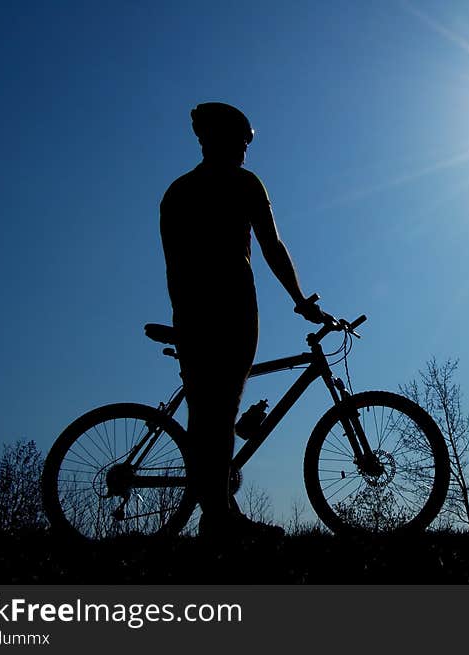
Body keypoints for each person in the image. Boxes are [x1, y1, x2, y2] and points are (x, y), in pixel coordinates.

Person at [159, 102, 324, 539]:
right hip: (231, 308)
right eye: (241, 142)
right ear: (220, 139)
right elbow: (272, 247)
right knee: (223, 407)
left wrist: (184, 316)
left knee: (207, 413)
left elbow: (173, 266)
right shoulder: (243, 184)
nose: (246, 152)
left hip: (193, 310)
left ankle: (218, 511)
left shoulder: (178, 191)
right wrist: (300, 300)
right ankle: (219, 519)